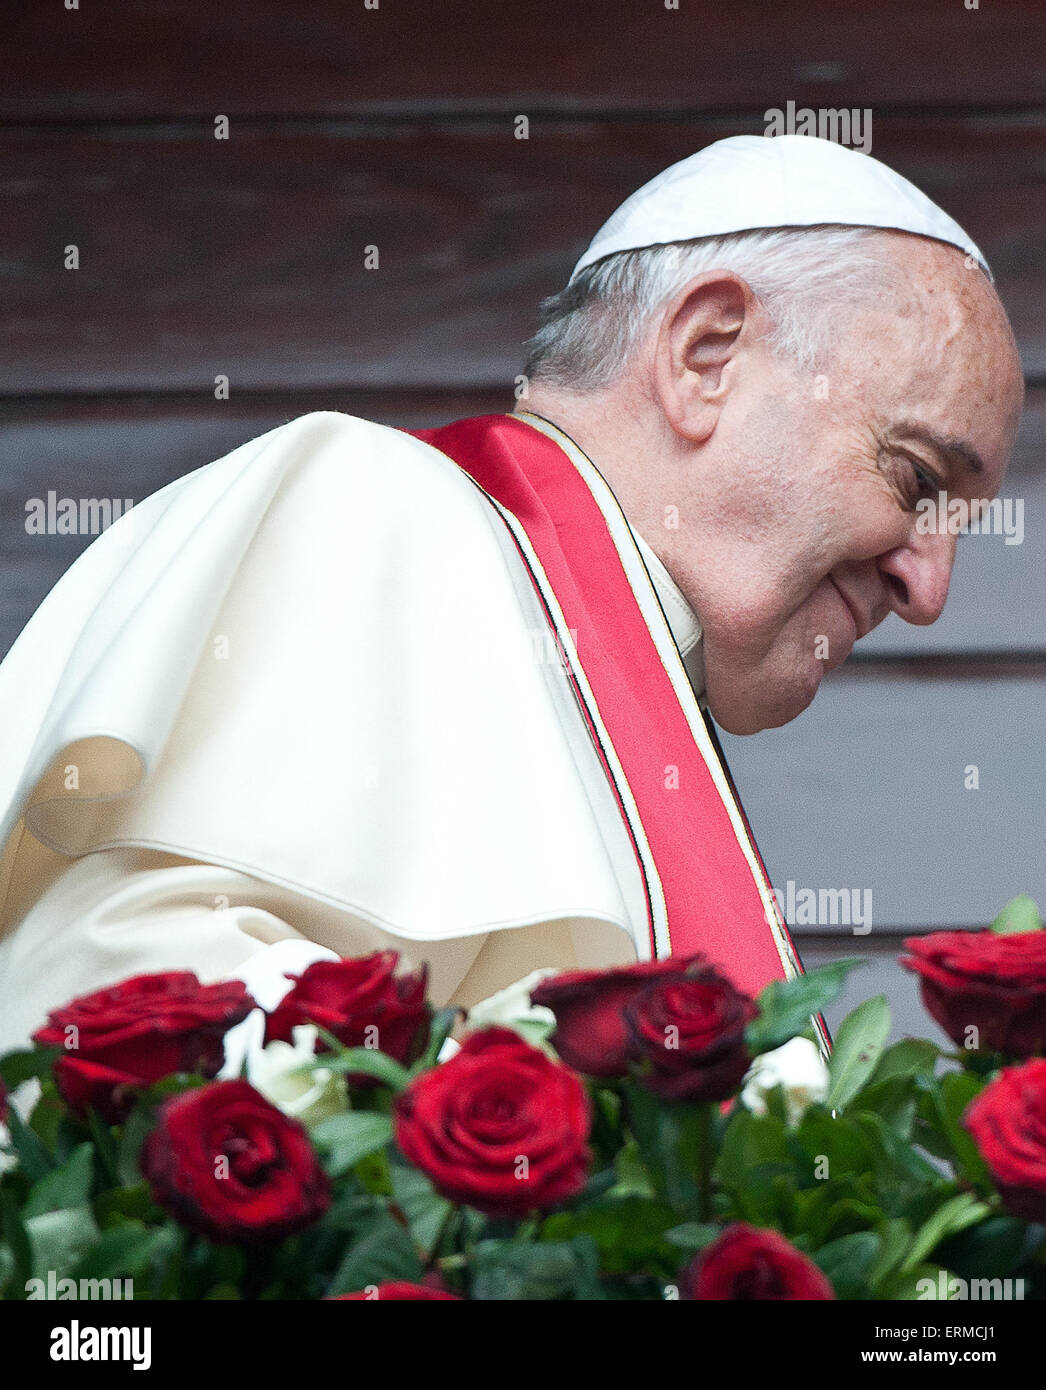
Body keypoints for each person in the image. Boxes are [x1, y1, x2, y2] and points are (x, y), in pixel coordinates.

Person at [0, 135, 1023, 1055]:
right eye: (917, 480)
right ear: (705, 352)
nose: (925, 588)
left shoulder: (644, 689)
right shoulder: (367, 507)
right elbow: (116, 1000)